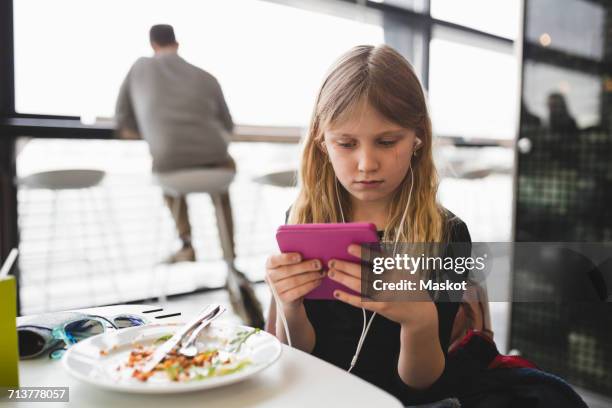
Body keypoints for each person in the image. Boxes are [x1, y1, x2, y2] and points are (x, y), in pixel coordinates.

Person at [264, 45, 587, 407]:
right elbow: (301, 356)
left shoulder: (447, 235)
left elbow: (423, 384)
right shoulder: (304, 220)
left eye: (387, 142)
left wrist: (419, 320)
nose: (366, 163)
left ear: (417, 139)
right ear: (322, 142)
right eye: (346, 143)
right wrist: (289, 307)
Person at [115, 24, 235, 263]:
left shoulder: (139, 68)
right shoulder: (206, 76)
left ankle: (186, 243)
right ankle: (230, 256)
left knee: (167, 177)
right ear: (177, 44)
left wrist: (154, 130)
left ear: (152, 45)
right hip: (218, 166)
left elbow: (122, 118)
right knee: (221, 190)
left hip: (169, 166)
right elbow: (228, 125)